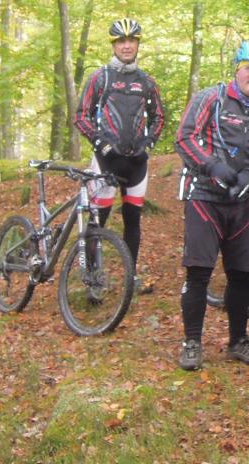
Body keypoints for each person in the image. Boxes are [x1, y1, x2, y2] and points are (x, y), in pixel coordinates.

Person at [174, 39, 249, 371]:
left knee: (242, 276)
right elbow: (184, 137)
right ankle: (192, 342)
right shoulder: (211, 98)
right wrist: (212, 166)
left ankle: (238, 341)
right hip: (206, 198)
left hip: (245, 203)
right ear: (238, 69)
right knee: (199, 274)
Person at [73, 18, 166, 295]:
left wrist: (148, 144)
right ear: (114, 45)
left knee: (132, 219)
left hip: (137, 163)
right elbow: (81, 116)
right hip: (105, 160)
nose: (127, 45)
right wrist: (100, 143)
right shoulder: (100, 77)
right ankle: (93, 278)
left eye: (131, 40)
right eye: (121, 41)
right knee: (97, 219)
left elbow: (160, 117)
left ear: (138, 44)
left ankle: (130, 275)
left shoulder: (146, 81)